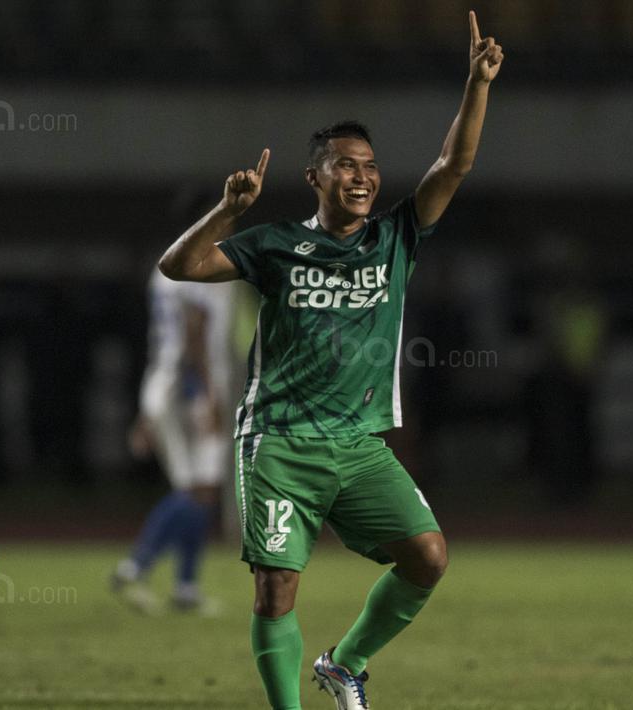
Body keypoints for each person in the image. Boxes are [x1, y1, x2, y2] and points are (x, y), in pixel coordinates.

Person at [156, 11, 502, 708]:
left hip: (358, 443)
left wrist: (477, 84)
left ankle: (345, 664)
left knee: (428, 557)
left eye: (370, 166)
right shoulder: (275, 243)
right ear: (314, 176)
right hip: (280, 441)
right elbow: (179, 265)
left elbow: (453, 165)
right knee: (276, 588)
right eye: (347, 164)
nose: (362, 176)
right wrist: (227, 210)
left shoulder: (395, 237)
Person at [111, 266, 234, 614]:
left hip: (164, 383)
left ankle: (185, 586)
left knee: (197, 492)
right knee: (198, 491)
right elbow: (195, 331)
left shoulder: (163, 270)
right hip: (188, 388)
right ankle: (136, 566)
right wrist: (207, 395)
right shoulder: (201, 266)